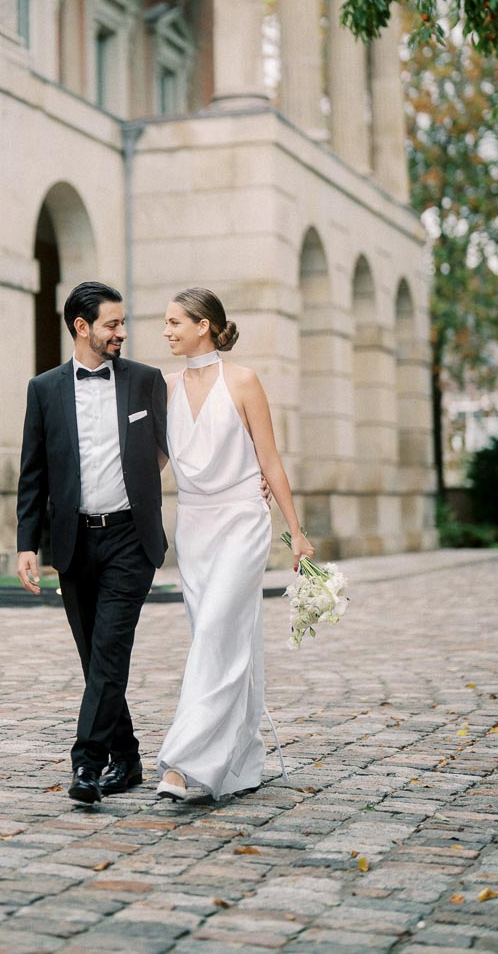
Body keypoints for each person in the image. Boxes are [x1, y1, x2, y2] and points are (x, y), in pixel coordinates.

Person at [156, 287, 314, 802]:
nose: (167, 331)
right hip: (194, 527)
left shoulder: (243, 381)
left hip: (243, 521)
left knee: (214, 638)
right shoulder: (166, 387)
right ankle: (238, 763)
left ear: (204, 325)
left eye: (176, 322)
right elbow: (153, 463)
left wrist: (296, 532)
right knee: (223, 638)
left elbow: (270, 461)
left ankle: (182, 764)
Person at [16, 281, 168, 806]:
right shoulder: (45, 389)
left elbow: (175, 447)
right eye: (112, 324)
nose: (122, 333)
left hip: (131, 538)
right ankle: (126, 759)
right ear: (82, 328)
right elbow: (32, 473)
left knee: (109, 649)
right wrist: (27, 543)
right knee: (94, 658)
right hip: (74, 542)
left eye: (122, 324)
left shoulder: (147, 382)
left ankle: (87, 763)